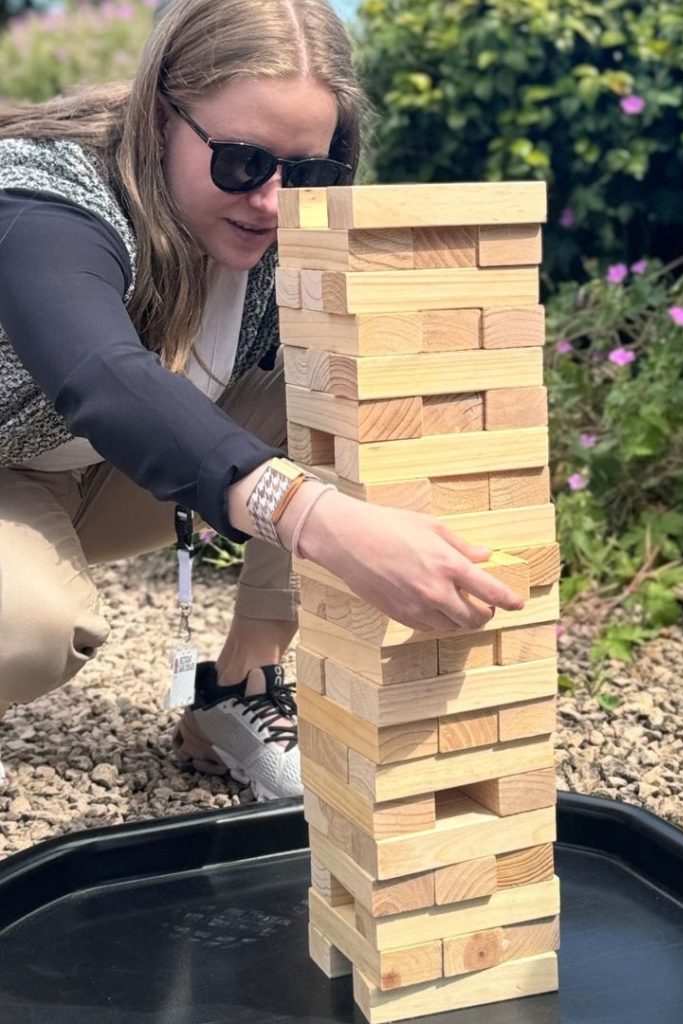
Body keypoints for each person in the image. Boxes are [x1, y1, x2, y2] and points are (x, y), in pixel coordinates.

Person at [0, 0, 524, 799]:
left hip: (84, 470)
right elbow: (102, 375)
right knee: (24, 629)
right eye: (242, 162)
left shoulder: (278, 238)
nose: (275, 203)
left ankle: (241, 688)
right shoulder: (45, 194)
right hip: (40, 450)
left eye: (309, 173)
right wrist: (322, 522)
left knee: (343, 382)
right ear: (159, 117)